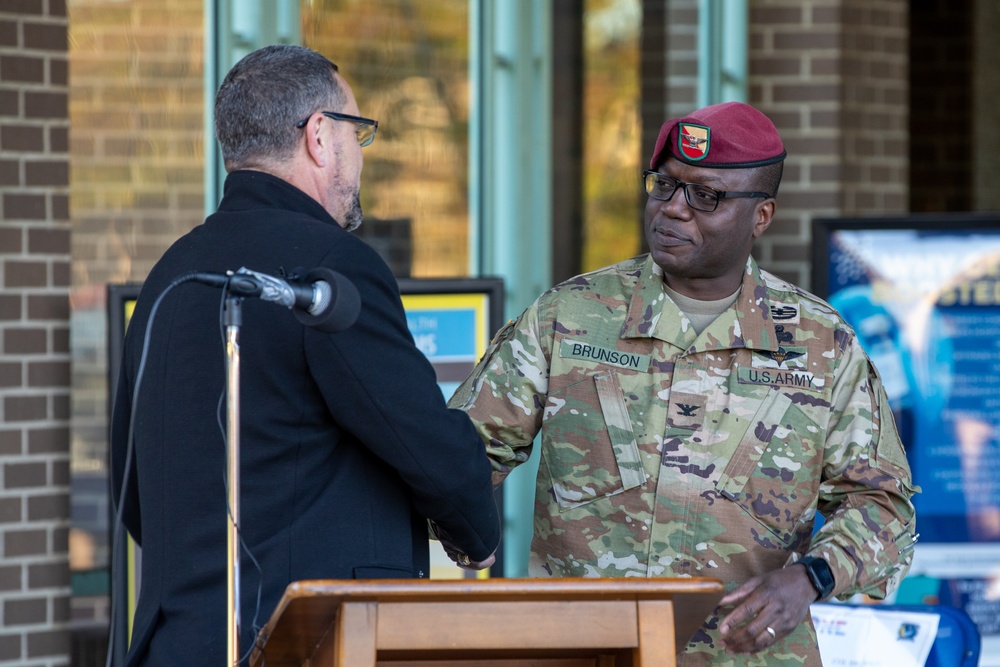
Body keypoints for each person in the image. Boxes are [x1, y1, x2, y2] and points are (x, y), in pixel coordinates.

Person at [450, 101, 918, 665]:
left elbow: (884, 506)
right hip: (586, 649)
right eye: (664, 185)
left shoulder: (822, 345)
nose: (673, 210)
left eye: (706, 196)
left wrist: (810, 578)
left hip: (744, 655)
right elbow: (462, 459)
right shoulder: (570, 317)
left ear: (761, 216)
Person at [110, 44, 500, 666]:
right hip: (309, 642)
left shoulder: (170, 274)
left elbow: (133, 489)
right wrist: (476, 535)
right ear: (320, 135)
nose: (359, 158)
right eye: (358, 133)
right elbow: (417, 433)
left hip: (176, 642)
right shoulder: (333, 267)